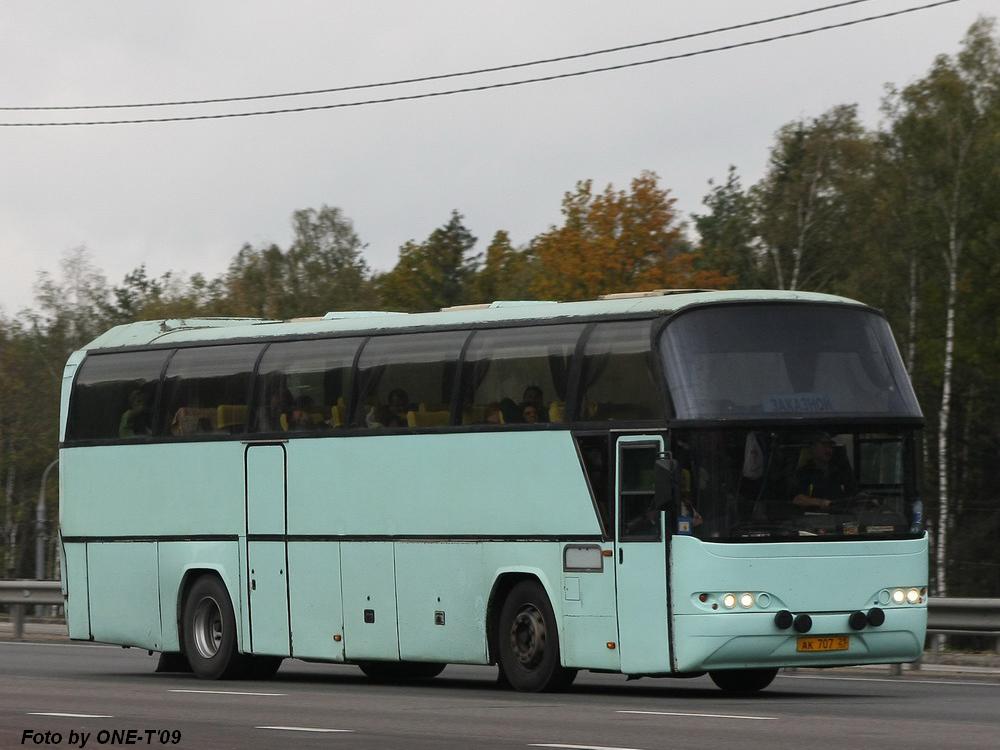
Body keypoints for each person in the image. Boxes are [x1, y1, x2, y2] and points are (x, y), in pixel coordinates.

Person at [792, 432, 856, 512]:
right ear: (813, 447)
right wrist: (820, 502)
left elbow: (853, 494)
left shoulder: (840, 470)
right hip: (813, 519)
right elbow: (798, 500)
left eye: (830, 446)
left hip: (841, 517)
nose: (828, 450)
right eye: (824, 445)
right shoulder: (804, 472)